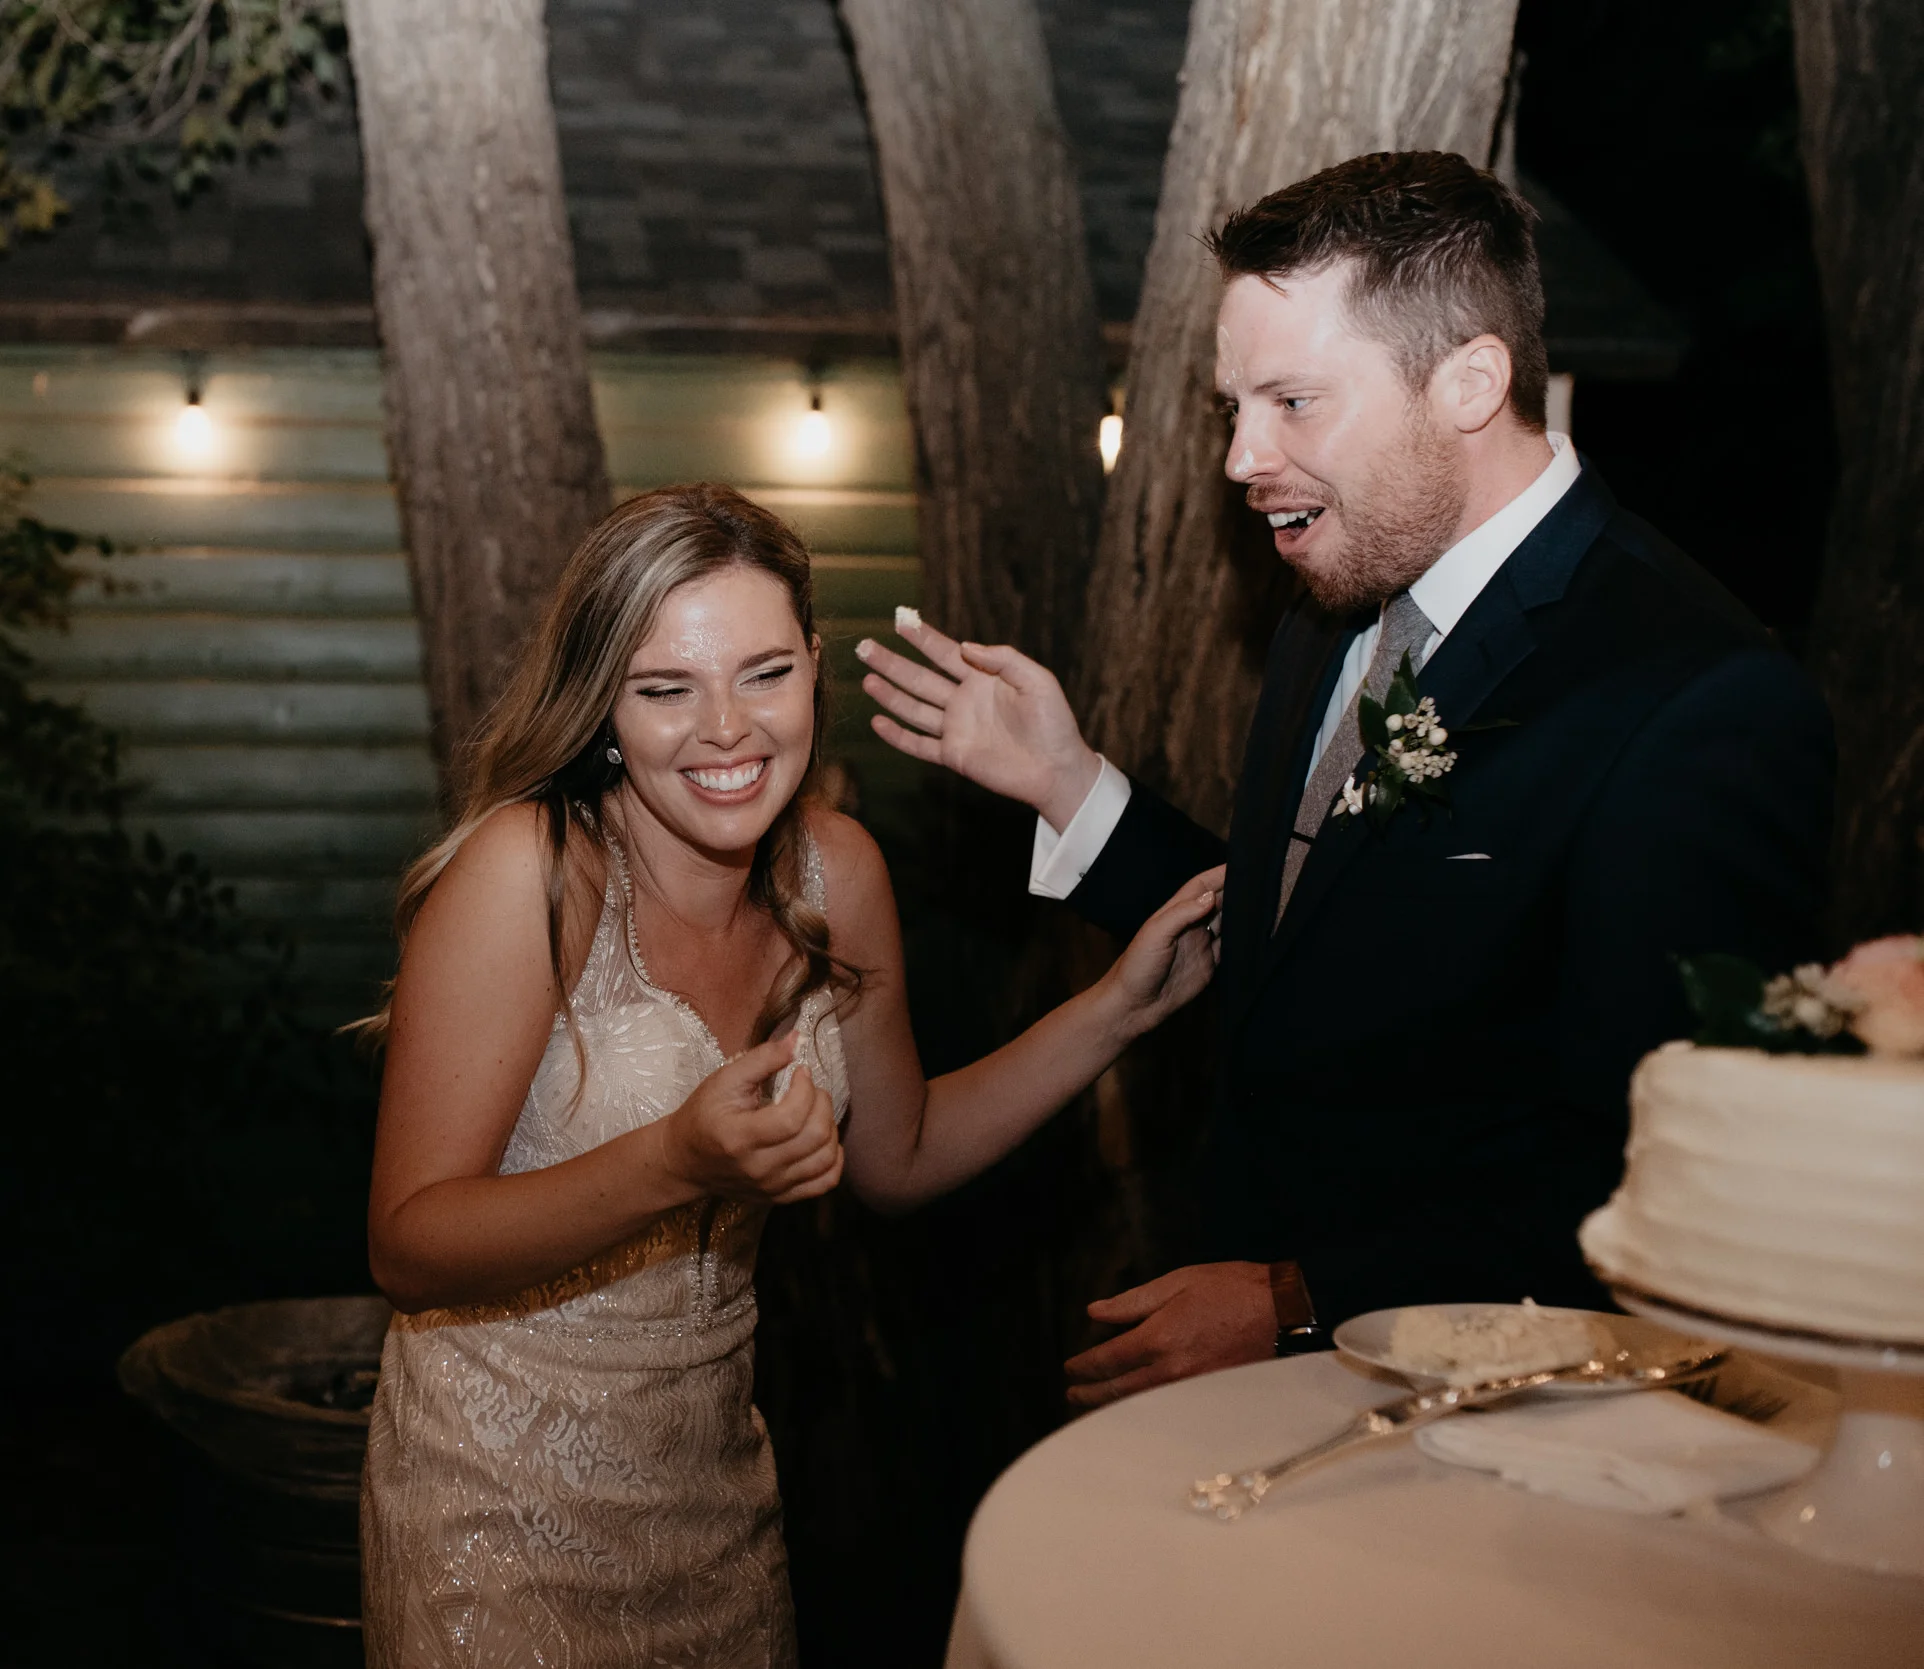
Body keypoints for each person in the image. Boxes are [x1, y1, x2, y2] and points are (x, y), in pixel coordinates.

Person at [856, 152, 1833, 1412]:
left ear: (1472, 381)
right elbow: (1313, 940)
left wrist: (1296, 1296)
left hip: (1497, 1426)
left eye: (1292, 402)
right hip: (1261, 1366)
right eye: (1233, 406)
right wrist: (1067, 781)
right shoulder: (1339, 599)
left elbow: (1661, 1175)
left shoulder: (1695, 699)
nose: (1240, 458)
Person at [356, 483, 1223, 1667]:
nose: (727, 730)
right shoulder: (533, 873)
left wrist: (1113, 1011)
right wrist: (672, 1160)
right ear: (606, 705)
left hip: (714, 1490)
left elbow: (900, 1158)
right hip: (494, 1498)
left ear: (814, 666)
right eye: (667, 689)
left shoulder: (838, 874)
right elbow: (407, 1243)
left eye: (764, 673)